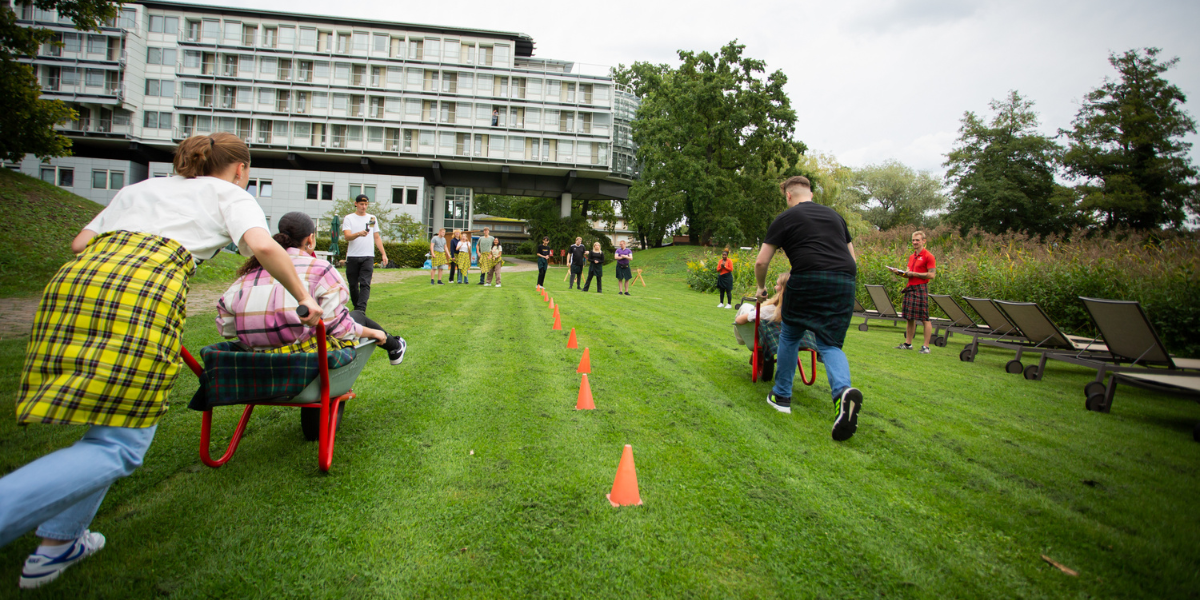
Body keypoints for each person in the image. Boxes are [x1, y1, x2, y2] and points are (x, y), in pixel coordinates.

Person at [0, 133, 324, 590]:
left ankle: (60, 542)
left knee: (110, 421)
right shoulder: (231, 194)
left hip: (75, 284)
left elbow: (79, 242)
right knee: (122, 446)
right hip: (142, 293)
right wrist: (304, 295)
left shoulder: (139, 188)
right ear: (240, 169)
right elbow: (263, 247)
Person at [217, 211, 406, 364]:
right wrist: (374, 333)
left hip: (255, 363)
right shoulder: (320, 269)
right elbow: (338, 327)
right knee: (356, 317)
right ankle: (392, 343)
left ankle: (393, 344)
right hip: (304, 360)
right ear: (311, 239)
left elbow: (226, 327)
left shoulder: (249, 274)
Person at [755, 175, 863, 442]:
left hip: (807, 278)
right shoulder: (836, 217)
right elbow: (852, 259)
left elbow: (761, 261)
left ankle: (781, 396)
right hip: (844, 280)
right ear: (811, 193)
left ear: (789, 196)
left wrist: (760, 288)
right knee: (830, 344)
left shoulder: (786, 218)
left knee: (790, 334)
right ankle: (842, 394)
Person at [892, 230, 937, 354]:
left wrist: (914, 274)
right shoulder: (912, 256)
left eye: (917, 240)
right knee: (909, 318)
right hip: (910, 287)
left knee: (924, 318)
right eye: (913, 240)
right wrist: (899, 273)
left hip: (921, 288)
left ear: (924, 241)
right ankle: (908, 343)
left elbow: (932, 275)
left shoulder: (928, 256)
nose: (915, 242)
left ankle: (926, 346)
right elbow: (908, 274)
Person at [341, 195, 388, 310]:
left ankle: (361, 309)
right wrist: (358, 234)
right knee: (353, 285)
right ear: (355, 204)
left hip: (368, 256)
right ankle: (357, 306)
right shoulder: (349, 218)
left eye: (366, 204)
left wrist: (383, 253)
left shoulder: (371, 218)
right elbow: (347, 236)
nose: (364, 207)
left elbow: (376, 237)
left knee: (365, 283)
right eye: (361, 204)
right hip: (353, 256)